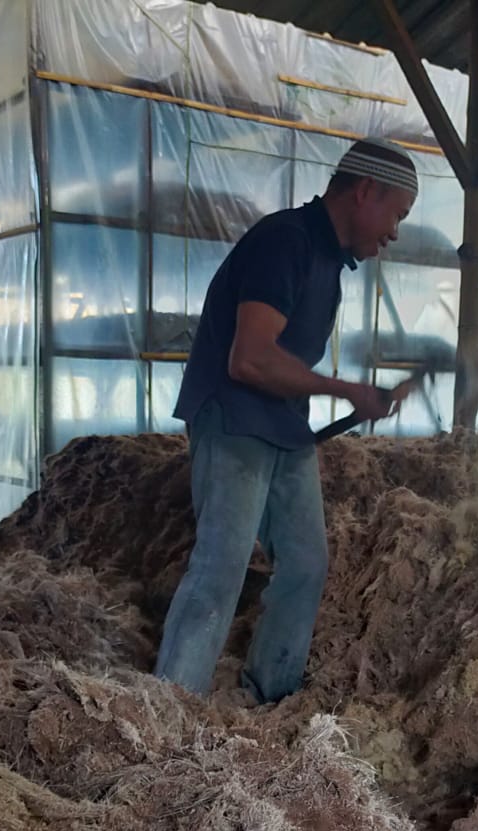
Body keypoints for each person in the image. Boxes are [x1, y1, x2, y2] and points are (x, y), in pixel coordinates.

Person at [154, 138, 422, 703]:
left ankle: (268, 695)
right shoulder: (286, 241)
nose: (395, 232)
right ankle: (169, 709)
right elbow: (249, 359)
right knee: (221, 567)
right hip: (234, 419)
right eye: (397, 214)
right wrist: (347, 391)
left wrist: (344, 396)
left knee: (304, 564)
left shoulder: (328, 260)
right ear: (365, 191)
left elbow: (281, 362)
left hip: (282, 425)